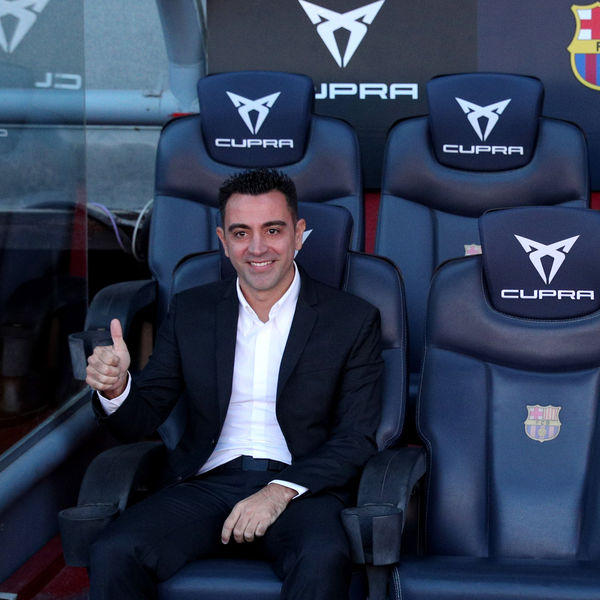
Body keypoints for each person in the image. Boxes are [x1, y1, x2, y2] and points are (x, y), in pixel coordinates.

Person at [85, 168, 383, 599]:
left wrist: (278, 492)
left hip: (300, 487)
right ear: (223, 241)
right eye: (241, 233)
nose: (257, 248)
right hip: (207, 482)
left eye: (273, 230)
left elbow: (356, 438)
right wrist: (116, 389)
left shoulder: (351, 318)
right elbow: (142, 416)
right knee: (114, 551)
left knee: (323, 558)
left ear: (299, 234)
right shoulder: (192, 311)